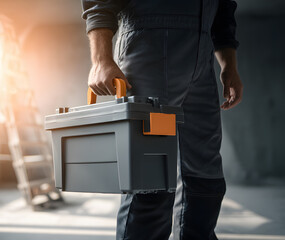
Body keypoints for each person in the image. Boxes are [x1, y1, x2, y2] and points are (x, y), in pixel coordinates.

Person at [81, 0, 243, 239]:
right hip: (148, 47)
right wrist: (100, 59)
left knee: (206, 176)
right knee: (149, 181)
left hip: (202, 56)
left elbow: (223, 10)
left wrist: (229, 65)